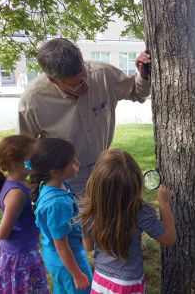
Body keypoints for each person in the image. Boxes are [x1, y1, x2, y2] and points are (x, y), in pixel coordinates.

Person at [18, 38, 151, 195]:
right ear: (53, 80)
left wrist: (143, 75)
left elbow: (137, 93)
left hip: (103, 166)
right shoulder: (33, 99)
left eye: (85, 76)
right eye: (75, 84)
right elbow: (25, 145)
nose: (85, 86)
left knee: (108, 215)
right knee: (75, 217)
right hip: (65, 175)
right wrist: (28, 178)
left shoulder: (103, 74)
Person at [79, 148, 176, 293]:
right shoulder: (141, 212)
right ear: (136, 184)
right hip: (128, 285)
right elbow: (169, 239)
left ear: (96, 182)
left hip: (101, 280)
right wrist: (164, 204)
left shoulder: (88, 210)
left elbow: (88, 247)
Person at [29, 138, 93, 294]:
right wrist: (77, 275)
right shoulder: (57, 204)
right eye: (72, 162)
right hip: (69, 261)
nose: (77, 163)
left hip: (56, 257)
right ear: (54, 172)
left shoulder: (52, 184)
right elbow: (62, 246)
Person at [0, 135, 49, 294]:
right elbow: (4, 232)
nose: (37, 160)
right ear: (14, 164)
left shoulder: (22, 182)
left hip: (25, 250)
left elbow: (12, 219)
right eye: (32, 158)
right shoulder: (17, 194)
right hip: (20, 258)